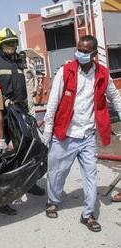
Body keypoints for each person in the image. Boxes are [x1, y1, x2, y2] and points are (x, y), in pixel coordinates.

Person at [43, 35, 121, 232]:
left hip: (87, 136)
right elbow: (52, 104)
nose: (80, 54)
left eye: (85, 52)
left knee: (91, 177)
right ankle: (53, 200)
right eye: (79, 50)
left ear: (94, 54)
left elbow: (115, 97)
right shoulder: (65, 71)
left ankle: (88, 214)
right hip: (64, 134)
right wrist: (47, 133)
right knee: (57, 172)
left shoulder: (102, 74)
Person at [0, 27, 45, 196]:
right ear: (0, 45)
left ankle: (30, 183)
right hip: (4, 116)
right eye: (7, 44)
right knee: (5, 154)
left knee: (28, 150)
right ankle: (4, 192)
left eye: (13, 43)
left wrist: (30, 111)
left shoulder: (20, 62)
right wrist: (5, 101)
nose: (11, 46)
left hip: (22, 113)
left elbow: (27, 87)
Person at [19, 51, 39, 116]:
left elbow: (35, 78)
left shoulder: (30, 66)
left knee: (30, 104)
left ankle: (33, 121)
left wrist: (35, 88)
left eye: (23, 57)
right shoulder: (18, 68)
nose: (22, 58)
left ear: (25, 57)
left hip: (29, 89)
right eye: (21, 57)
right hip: (21, 90)